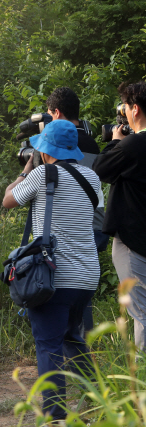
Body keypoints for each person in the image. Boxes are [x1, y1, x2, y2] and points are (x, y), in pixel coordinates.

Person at [3, 119, 100, 419]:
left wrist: (25, 169)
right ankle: (98, 403)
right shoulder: (92, 178)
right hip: (86, 276)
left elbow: (7, 200)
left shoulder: (43, 173)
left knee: (48, 346)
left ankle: (55, 418)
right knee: (73, 338)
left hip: (53, 275)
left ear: (44, 150)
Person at [46, 86, 106, 335]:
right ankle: (82, 348)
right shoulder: (91, 143)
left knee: (62, 287)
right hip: (96, 221)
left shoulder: (59, 145)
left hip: (70, 224)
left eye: (49, 114)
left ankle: (64, 344)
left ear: (56, 113)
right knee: (82, 287)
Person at [93, 81, 146, 350]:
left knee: (142, 314)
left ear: (135, 109)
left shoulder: (133, 145)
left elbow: (100, 169)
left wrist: (116, 142)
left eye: (125, 108)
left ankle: (141, 387)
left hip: (133, 242)